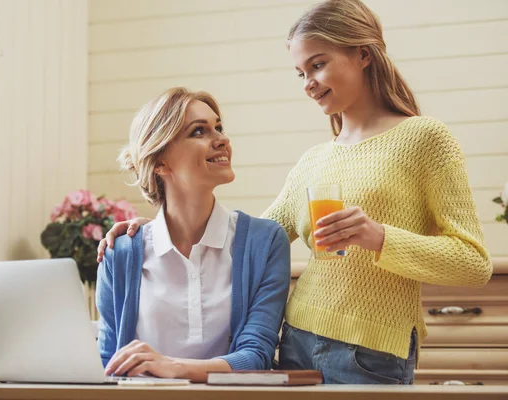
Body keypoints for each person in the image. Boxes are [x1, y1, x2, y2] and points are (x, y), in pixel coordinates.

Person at [96, 0, 492, 384]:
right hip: (295, 340)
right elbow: (252, 239)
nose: (309, 84)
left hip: (371, 353)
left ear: (364, 54)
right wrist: (159, 229)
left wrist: (379, 237)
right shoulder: (314, 160)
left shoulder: (425, 139)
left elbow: (473, 263)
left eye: (318, 65)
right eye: (300, 73)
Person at [96, 87, 290, 383]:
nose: (222, 140)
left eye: (219, 127)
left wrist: (174, 367)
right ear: (160, 161)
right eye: (199, 131)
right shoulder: (120, 252)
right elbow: (108, 362)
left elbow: (256, 355)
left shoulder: (265, 241)